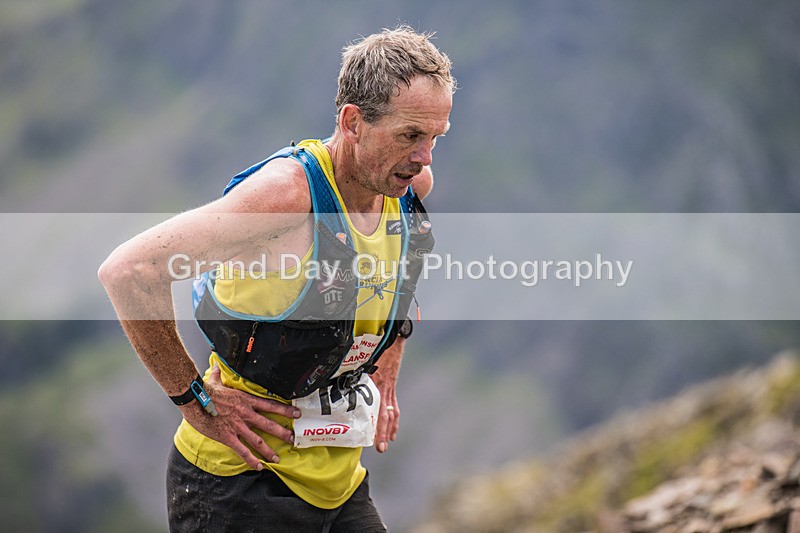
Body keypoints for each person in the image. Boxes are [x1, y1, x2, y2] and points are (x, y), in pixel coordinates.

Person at [98, 25, 454, 532]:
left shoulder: (407, 185)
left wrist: (386, 365)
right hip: (240, 484)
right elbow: (129, 271)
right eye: (410, 136)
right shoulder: (285, 198)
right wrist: (194, 399)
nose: (425, 157)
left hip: (339, 481)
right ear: (353, 122)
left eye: (435, 137)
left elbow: (399, 275)